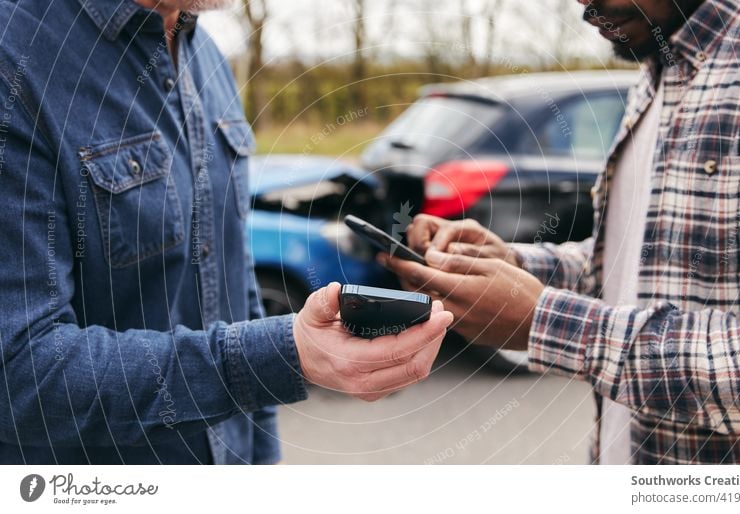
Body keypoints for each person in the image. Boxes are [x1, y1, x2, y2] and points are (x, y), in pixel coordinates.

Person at [0, 0, 452, 464]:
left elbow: (234, 286)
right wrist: (285, 355)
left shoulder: (206, 53)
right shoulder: (14, 56)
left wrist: (262, 457)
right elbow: (21, 371)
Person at [382, 0, 740, 464]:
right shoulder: (658, 66)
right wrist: (515, 265)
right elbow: (638, 265)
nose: (585, 6)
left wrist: (546, 322)